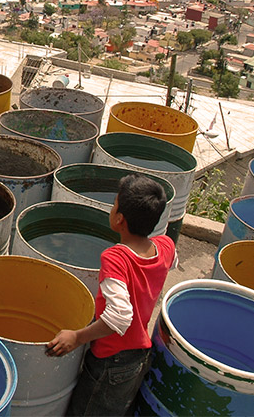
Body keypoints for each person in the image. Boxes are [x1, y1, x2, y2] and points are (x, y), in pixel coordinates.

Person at [45, 174, 178, 416]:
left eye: (114, 204)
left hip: (110, 362)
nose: (112, 207)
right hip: (137, 355)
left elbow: (119, 317)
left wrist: (76, 337)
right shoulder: (165, 245)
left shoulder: (116, 258)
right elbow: (171, 262)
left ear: (119, 219)